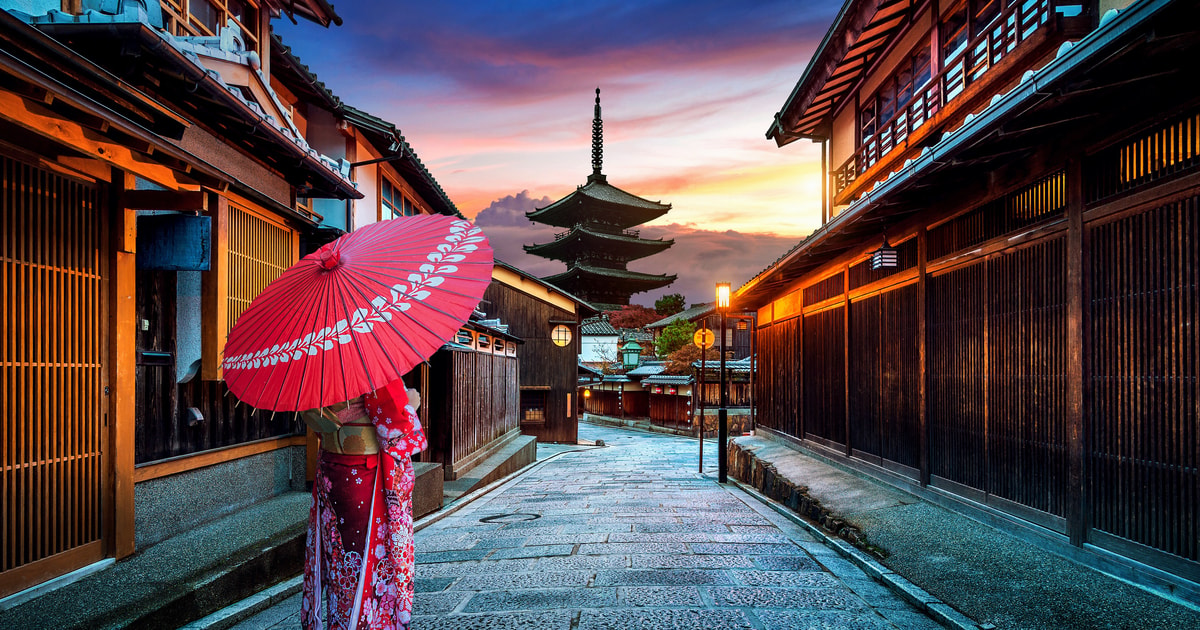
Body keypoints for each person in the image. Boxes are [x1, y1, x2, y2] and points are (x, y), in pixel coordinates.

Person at [299, 377, 427, 630]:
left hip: (331, 472)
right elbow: (396, 426)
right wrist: (410, 404)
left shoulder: (318, 367)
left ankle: (341, 620)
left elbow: (318, 421)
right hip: (364, 476)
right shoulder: (368, 366)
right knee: (365, 562)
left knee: (340, 561)